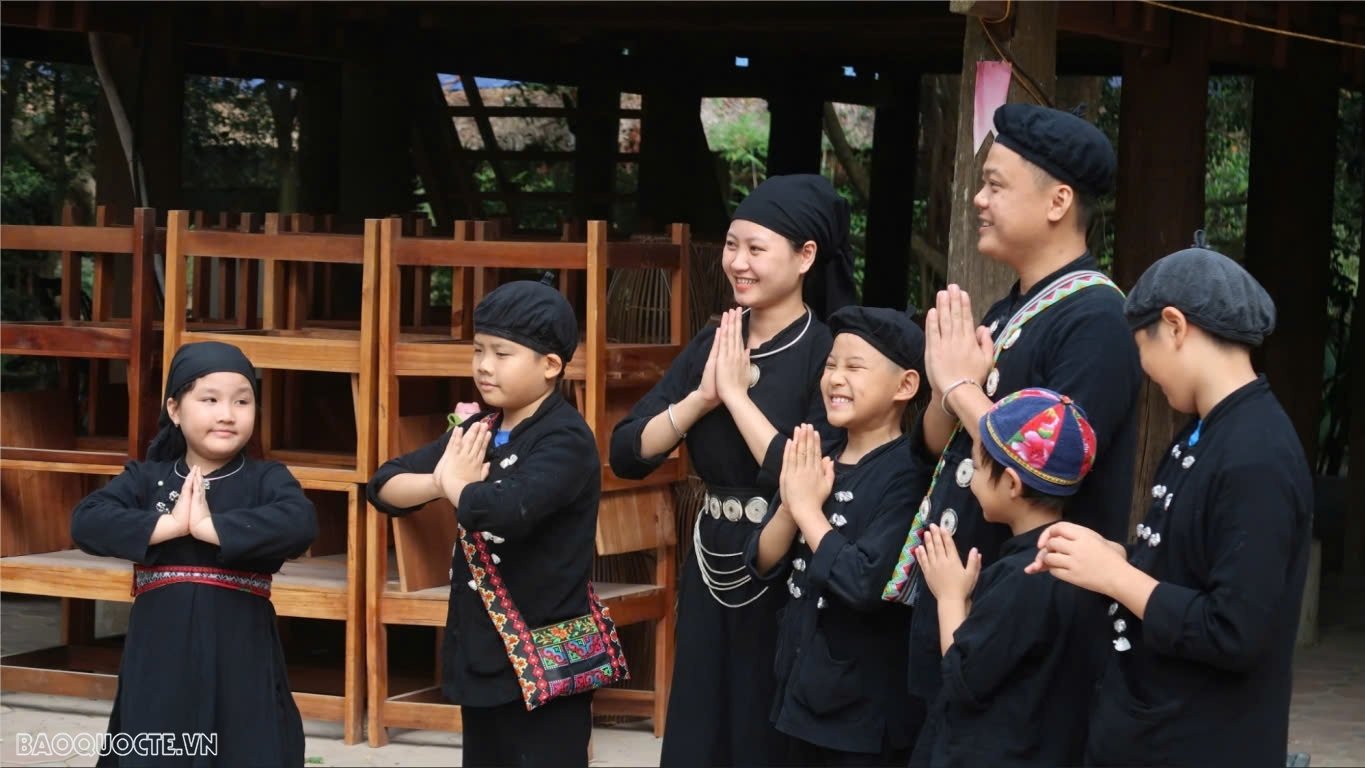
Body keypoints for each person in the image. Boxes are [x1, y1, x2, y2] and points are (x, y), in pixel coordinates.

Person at [886, 104, 1142, 739]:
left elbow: (1048, 458)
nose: (978, 198)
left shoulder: (1095, 319)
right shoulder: (1009, 308)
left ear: (1058, 201)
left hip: (1023, 622)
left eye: (996, 183)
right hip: (959, 594)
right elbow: (934, 450)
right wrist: (947, 392)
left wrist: (960, 385)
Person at [1025, 239, 1312, 768]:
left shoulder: (1256, 453)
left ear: (1175, 326)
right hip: (1151, 729)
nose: (1145, 372)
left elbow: (1235, 631)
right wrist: (1115, 559)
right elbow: (1188, 569)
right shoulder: (1204, 432)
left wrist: (1117, 578)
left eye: (1142, 348)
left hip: (1200, 742)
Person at [610, 174, 847, 766]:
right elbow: (626, 452)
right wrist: (702, 398)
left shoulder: (830, 353)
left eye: (757, 249)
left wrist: (739, 399)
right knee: (699, 725)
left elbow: (798, 472)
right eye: (732, 245)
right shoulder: (716, 340)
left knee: (760, 729)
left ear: (805, 258)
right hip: (710, 552)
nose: (737, 263)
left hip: (786, 561)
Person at [367, 279, 602, 768]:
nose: (483, 365)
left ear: (550, 366)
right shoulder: (479, 431)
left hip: (548, 650)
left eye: (502, 353)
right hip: (484, 647)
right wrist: (441, 480)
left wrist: (456, 486)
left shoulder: (567, 440)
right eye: (478, 350)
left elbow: (505, 511)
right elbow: (384, 485)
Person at [70, 340, 317, 767]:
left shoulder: (267, 480)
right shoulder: (146, 479)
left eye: (242, 401)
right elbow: (87, 520)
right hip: (160, 650)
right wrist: (167, 526)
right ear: (174, 409)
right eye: (209, 399)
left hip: (240, 649)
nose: (227, 413)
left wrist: (211, 528)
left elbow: (300, 524)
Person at [747, 306, 930, 766]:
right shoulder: (818, 452)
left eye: (854, 367)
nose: (835, 378)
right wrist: (791, 505)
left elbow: (866, 583)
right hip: (796, 682)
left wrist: (808, 510)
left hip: (861, 710)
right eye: (830, 365)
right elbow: (762, 560)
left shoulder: (907, 473)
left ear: (905, 386)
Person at [911, 388, 1103, 768]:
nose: (974, 479)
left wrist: (950, 597)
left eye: (978, 468)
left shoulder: (1025, 575)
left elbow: (964, 677)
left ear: (1012, 484)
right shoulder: (1083, 561)